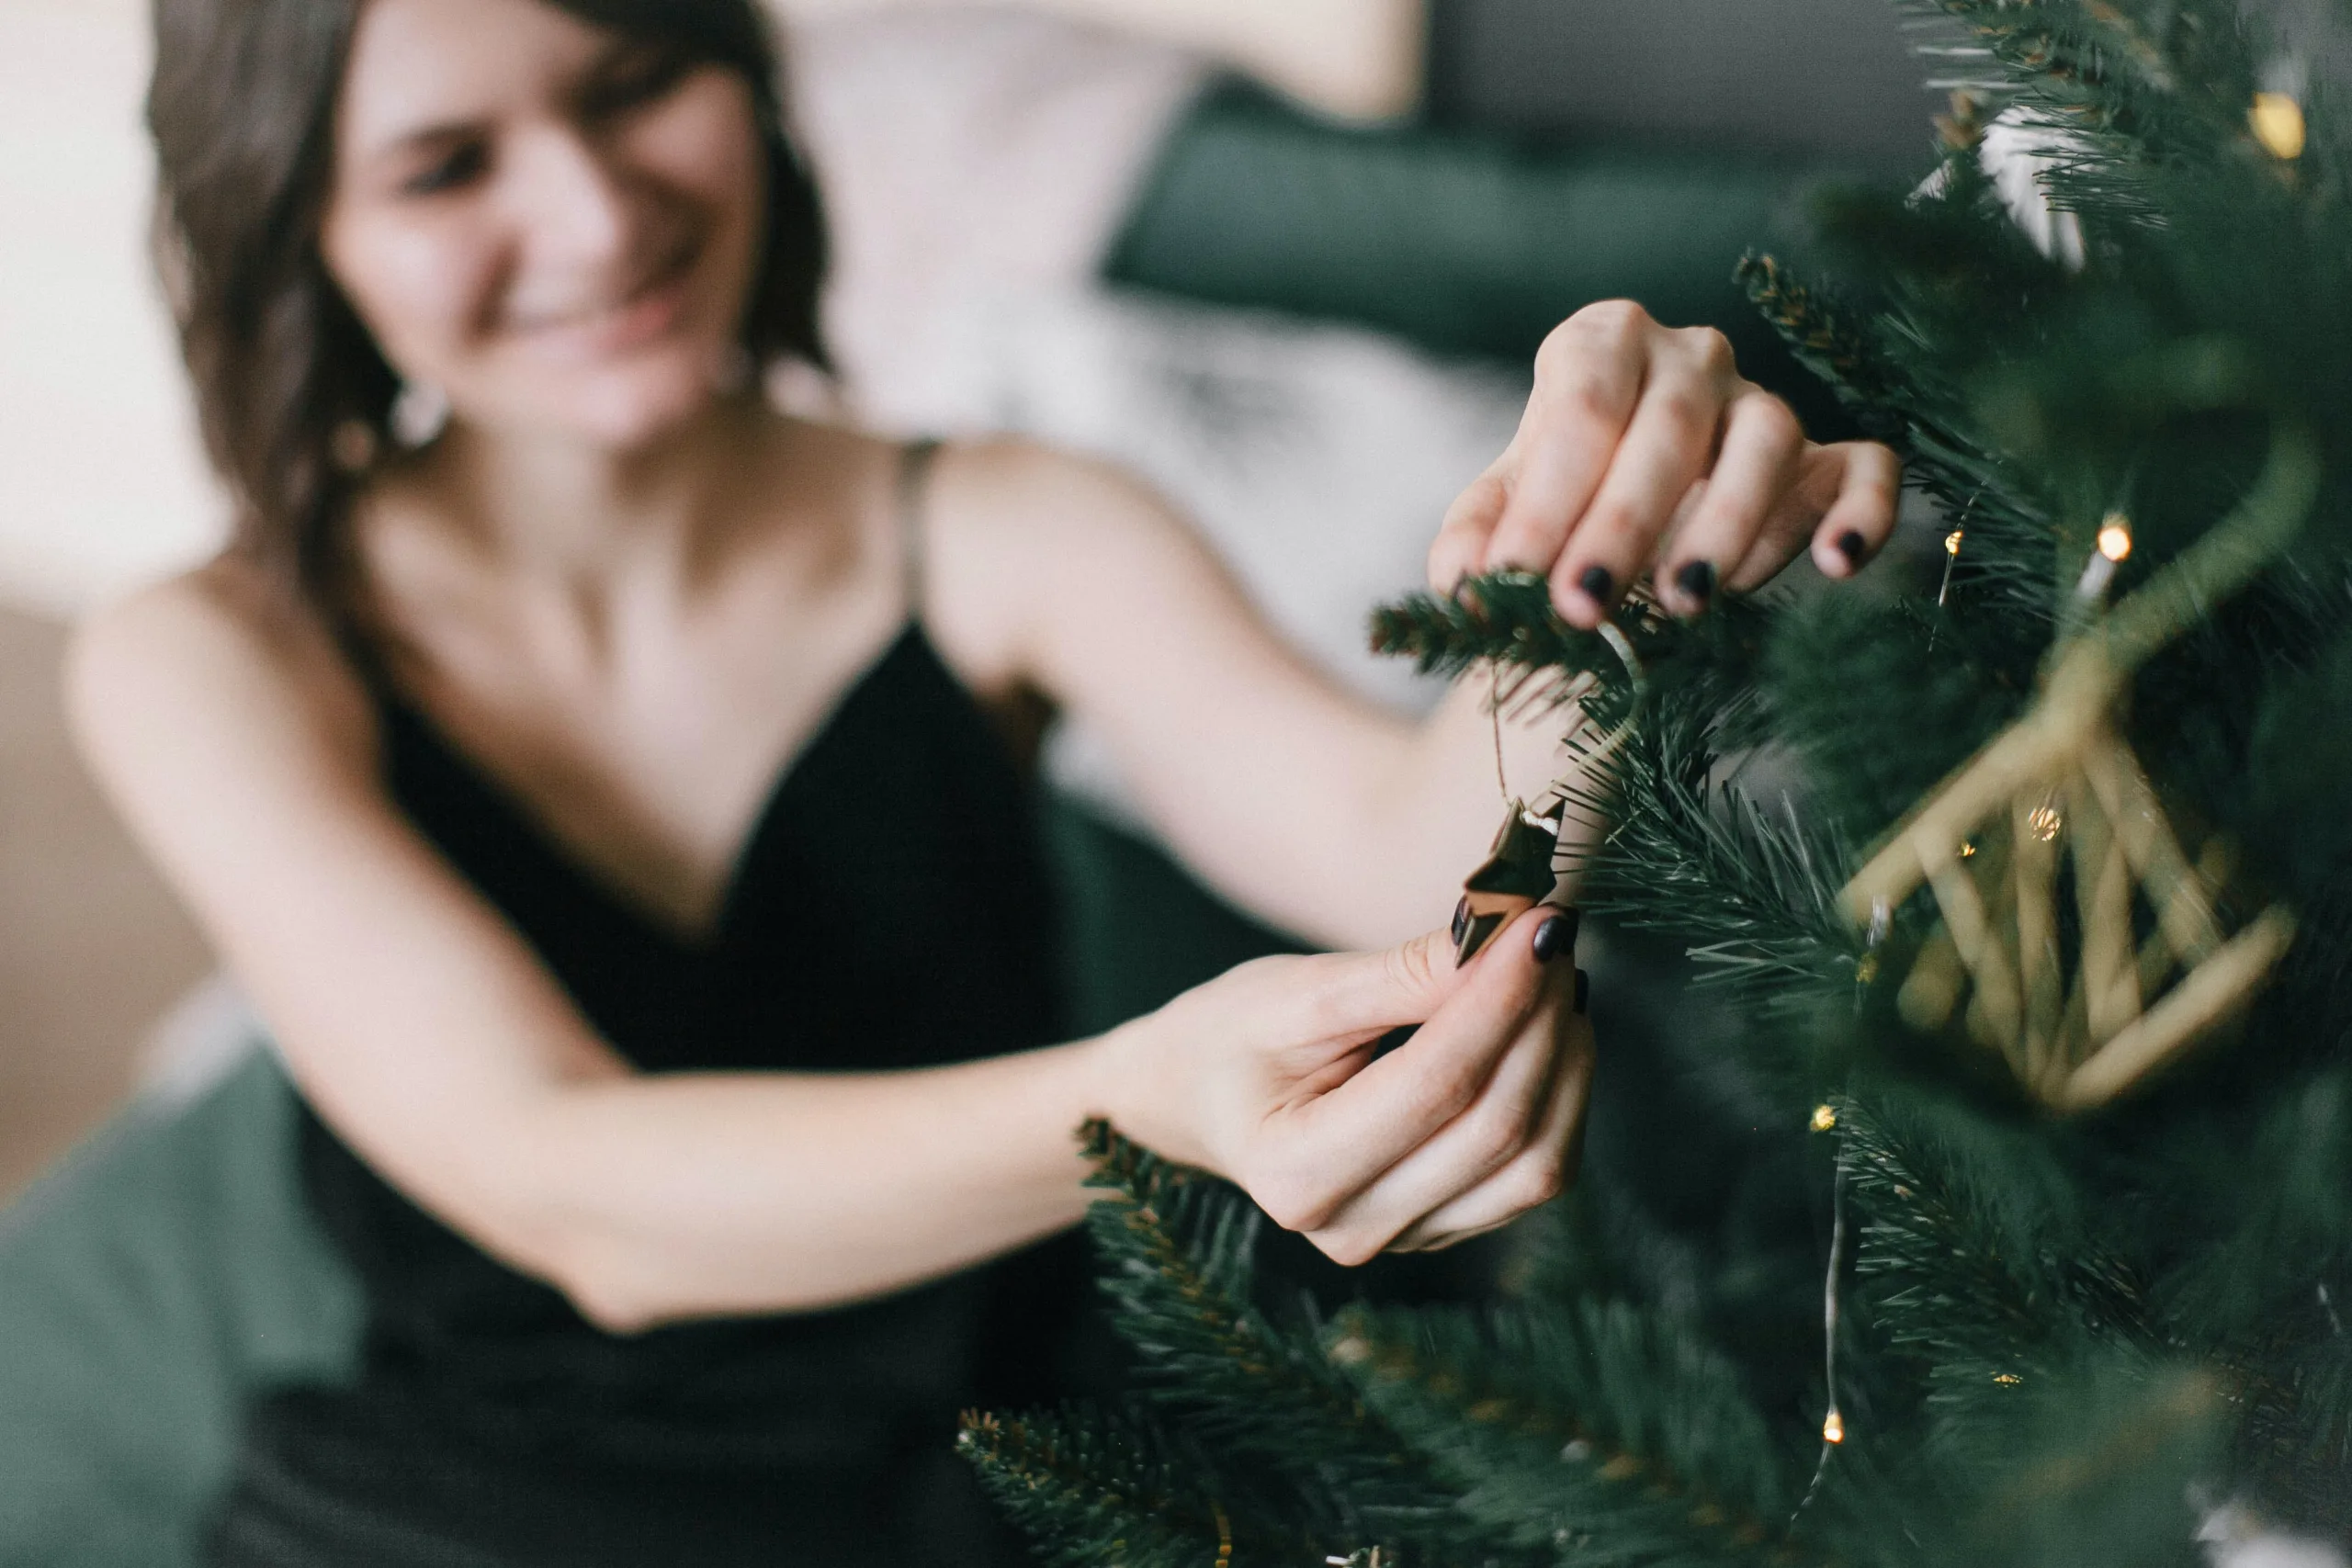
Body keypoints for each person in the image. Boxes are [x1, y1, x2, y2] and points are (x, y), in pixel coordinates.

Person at [73, 0, 1901, 1561]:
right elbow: (570, 1186)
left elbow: (1383, 859)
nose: (590, 207)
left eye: (633, 82)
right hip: (493, 1513)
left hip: (1022, 1480)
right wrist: (1142, 1091)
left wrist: (1587, 553)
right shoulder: (209, 656)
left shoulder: (1005, 524)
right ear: (293, 225)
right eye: (444, 166)